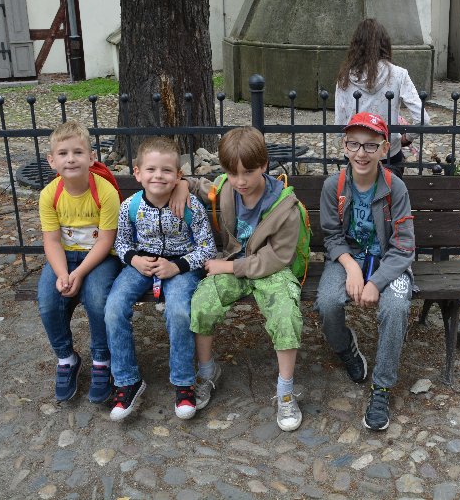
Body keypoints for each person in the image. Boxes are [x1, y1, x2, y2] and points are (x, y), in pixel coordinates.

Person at [188, 126, 305, 432]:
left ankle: (286, 390)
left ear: (264, 165)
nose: (240, 181)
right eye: (232, 172)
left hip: (270, 270)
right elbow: (202, 187)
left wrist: (228, 268)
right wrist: (179, 186)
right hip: (234, 264)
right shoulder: (226, 187)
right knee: (202, 302)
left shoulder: (285, 206)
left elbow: (276, 258)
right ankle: (208, 371)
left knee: (285, 315)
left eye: (248, 172)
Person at [315, 111, 416, 431]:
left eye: (371, 145)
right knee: (327, 302)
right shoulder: (334, 186)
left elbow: (404, 246)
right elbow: (332, 236)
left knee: (396, 307)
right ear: (344, 146)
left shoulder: (395, 188)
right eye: (354, 144)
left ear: (385, 149)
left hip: (389, 260)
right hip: (348, 258)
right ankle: (346, 347)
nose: (362, 153)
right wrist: (352, 269)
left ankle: (382, 386)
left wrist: (377, 282)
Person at [105, 137, 217, 422]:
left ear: (178, 175)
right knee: (114, 307)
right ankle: (127, 381)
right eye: (151, 170)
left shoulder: (191, 206)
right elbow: (121, 243)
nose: (158, 176)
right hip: (140, 265)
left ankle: (184, 382)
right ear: (137, 173)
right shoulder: (130, 206)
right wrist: (134, 260)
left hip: (181, 266)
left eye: (166, 170)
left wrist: (177, 266)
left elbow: (207, 249)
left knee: (179, 311)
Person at [37, 121, 122, 403]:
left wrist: (80, 273)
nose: (71, 159)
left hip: (99, 258)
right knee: (48, 300)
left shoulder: (105, 192)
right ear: (52, 161)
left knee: (97, 299)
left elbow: (106, 240)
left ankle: (102, 359)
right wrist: (63, 274)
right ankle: (67, 358)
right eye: (63, 153)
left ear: (91, 157)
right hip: (64, 257)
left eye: (78, 152)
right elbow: (51, 241)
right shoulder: (49, 195)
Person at [335, 18, 430, 175]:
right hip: (388, 154)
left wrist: (356, 143)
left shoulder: (345, 77)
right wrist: (406, 138)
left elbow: (339, 128)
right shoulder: (399, 75)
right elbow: (423, 120)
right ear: (385, 45)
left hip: (356, 157)